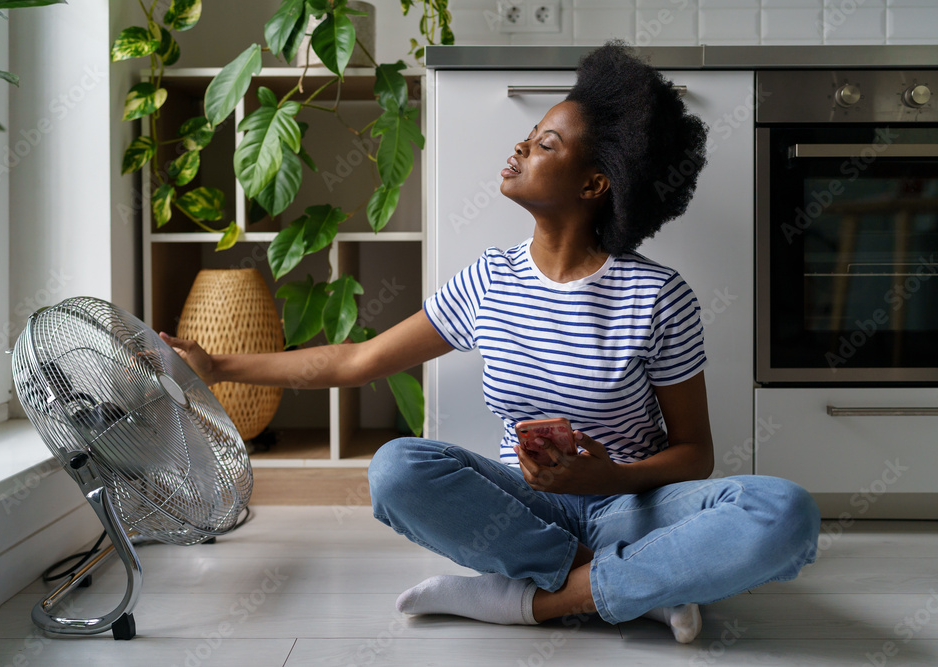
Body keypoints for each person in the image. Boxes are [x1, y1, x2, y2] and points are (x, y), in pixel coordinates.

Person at [160, 41, 820, 644]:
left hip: (634, 506)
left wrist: (608, 475)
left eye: (545, 145)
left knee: (784, 510)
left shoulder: (657, 296)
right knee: (395, 469)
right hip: (524, 510)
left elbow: (695, 453)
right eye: (530, 137)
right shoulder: (488, 281)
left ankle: (530, 601)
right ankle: (637, 587)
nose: (520, 149)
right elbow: (357, 359)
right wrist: (215, 363)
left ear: (594, 185)